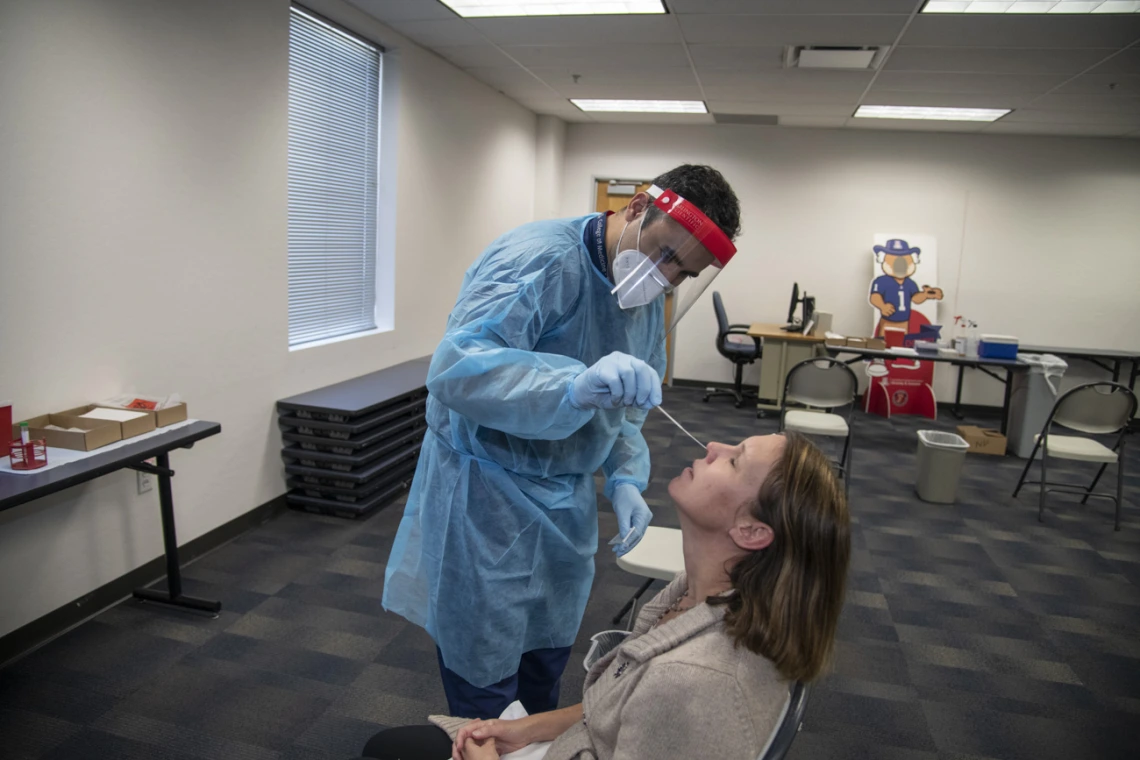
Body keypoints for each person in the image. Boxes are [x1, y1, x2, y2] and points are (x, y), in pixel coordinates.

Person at [382, 165, 743, 721]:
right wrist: (570, 385)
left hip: (563, 502)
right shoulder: (539, 260)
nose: (664, 277)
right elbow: (457, 370)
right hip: (485, 499)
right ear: (637, 207)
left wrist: (624, 477)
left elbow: (625, 411)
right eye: (666, 254)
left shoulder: (641, 297)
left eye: (682, 274)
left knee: (544, 663)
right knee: (486, 680)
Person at [355, 432, 851, 760]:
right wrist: (526, 731)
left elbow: (653, 701)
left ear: (750, 530)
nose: (715, 445)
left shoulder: (694, 684)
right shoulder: (699, 596)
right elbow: (619, 702)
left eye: (735, 459)